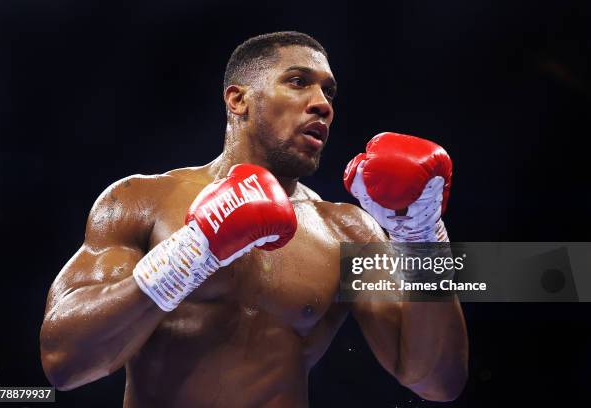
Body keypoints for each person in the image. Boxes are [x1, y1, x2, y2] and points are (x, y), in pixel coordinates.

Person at [40, 31, 468, 407]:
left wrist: (423, 241)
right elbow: (64, 363)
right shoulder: (142, 198)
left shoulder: (347, 230)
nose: (322, 104)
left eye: (329, 92)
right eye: (299, 82)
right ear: (238, 98)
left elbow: (435, 382)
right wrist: (189, 254)